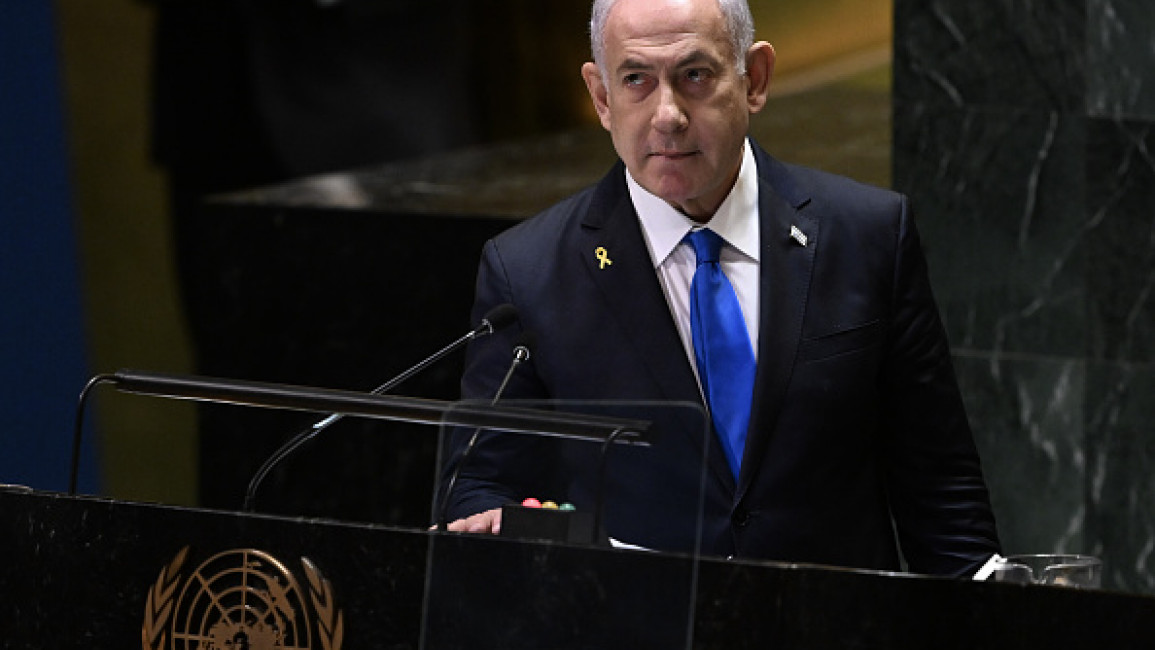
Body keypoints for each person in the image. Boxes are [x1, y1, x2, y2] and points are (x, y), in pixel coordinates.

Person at [440, 0, 1000, 577]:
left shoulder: (867, 235)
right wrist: (491, 522)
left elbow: (939, 487)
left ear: (754, 80)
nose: (668, 115)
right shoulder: (529, 272)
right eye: (636, 80)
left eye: (695, 76)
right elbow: (483, 483)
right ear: (602, 97)